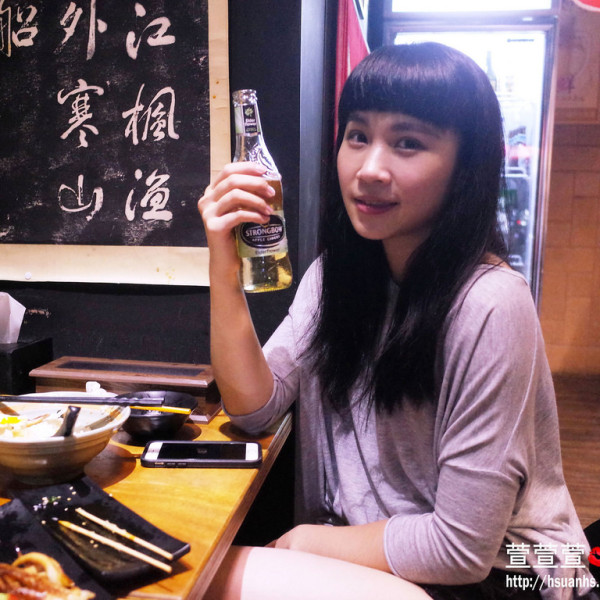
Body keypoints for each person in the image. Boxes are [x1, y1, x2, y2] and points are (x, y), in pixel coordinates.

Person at [198, 42, 596, 600]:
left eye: (408, 143)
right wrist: (223, 263)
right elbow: (253, 407)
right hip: (388, 559)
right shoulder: (334, 277)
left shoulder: (490, 303)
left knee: (204, 578)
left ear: (466, 166)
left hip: (515, 573)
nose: (370, 169)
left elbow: (461, 548)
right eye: (358, 135)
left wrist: (304, 543)